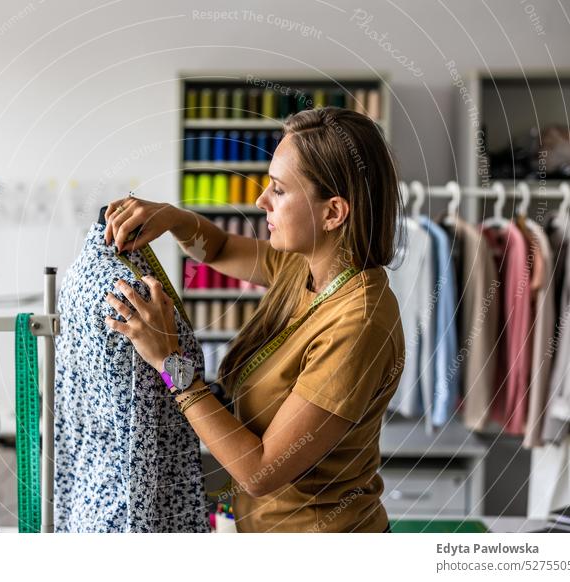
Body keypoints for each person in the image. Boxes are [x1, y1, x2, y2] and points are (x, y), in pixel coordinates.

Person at [102, 106, 405, 533]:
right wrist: (172, 217)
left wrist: (168, 361)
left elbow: (261, 472)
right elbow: (220, 248)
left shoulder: (357, 326)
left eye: (278, 190)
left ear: (333, 212)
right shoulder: (306, 268)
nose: (260, 200)